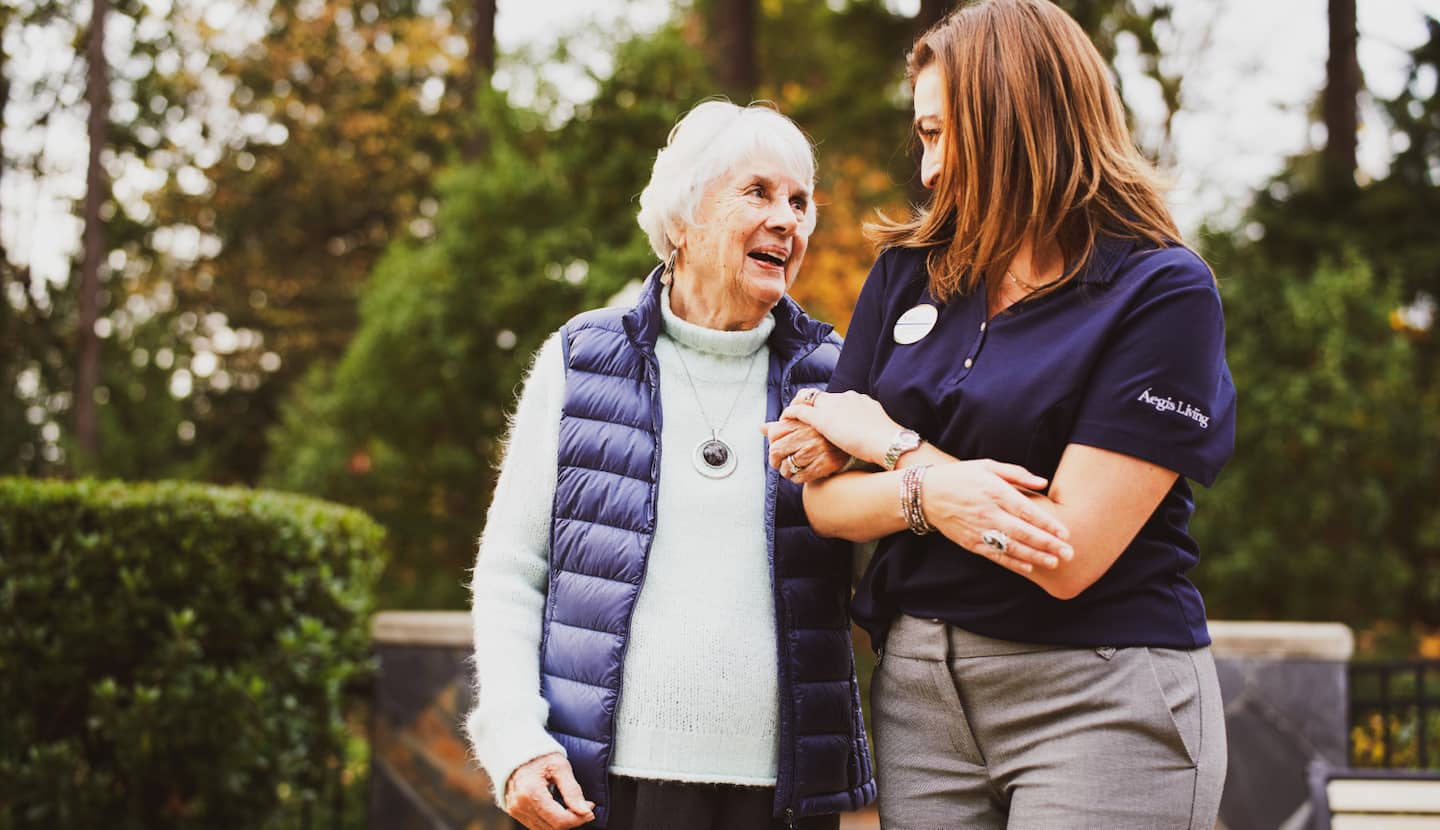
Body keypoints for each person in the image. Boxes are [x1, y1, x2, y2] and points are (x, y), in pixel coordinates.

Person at [764, 1, 1236, 827]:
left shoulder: (1162, 293)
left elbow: (1066, 550)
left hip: (1098, 696)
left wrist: (892, 447)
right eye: (923, 136)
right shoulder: (907, 274)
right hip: (921, 695)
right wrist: (928, 493)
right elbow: (826, 502)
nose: (928, 169)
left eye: (943, 134)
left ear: (1018, 119)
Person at [464, 100, 875, 830]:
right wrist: (514, 741)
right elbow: (511, 569)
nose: (788, 220)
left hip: (784, 797)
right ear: (682, 219)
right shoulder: (580, 361)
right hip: (602, 785)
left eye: (801, 201)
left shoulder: (836, 381)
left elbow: (880, 575)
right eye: (758, 192)